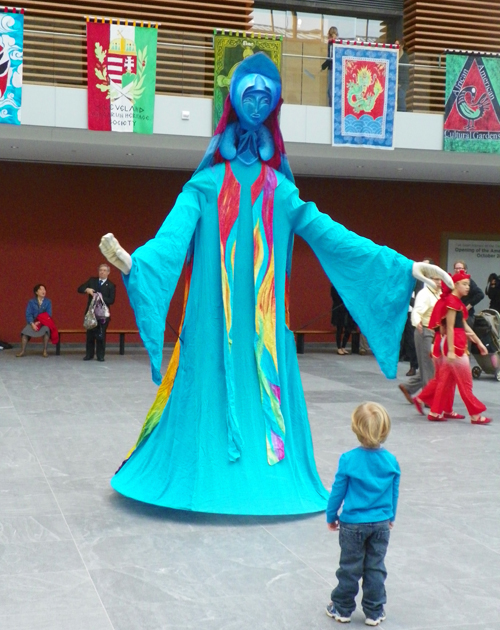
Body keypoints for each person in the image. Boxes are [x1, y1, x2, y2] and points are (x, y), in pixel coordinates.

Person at [99, 53, 450, 515]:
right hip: (210, 321)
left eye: (267, 95)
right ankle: (203, 472)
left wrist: (404, 267)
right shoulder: (204, 186)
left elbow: (335, 238)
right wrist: (136, 265)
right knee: (207, 386)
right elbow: (171, 239)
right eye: (251, 92)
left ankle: (263, 469)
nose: (259, 102)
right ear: (235, 98)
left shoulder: (279, 191)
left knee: (260, 388)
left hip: (265, 327)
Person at [325, 402, 400, 626]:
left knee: (349, 567)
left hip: (352, 525)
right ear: (385, 430)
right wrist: (391, 517)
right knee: (376, 567)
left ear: (356, 429)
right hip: (380, 524)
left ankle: (342, 607)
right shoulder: (391, 461)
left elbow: (337, 491)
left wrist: (331, 515)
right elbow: (393, 493)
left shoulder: (348, 459)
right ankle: (374, 611)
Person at [426, 270, 491, 424]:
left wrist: (478, 342)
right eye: (464, 284)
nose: (468, 287)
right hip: (455, 344)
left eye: (468, 284)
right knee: (465, 383)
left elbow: (461, 326)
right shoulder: (452, 303)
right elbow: (449, 328)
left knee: (445, 380)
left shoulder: (455, 302)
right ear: (455, 285)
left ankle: (435, 412)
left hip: (456, 342)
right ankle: (475, 415)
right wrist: (451, 350)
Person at [399, 268, 441, 403]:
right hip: (425, 331)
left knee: (429, 366)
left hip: (435, 333)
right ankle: (429, 398)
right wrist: (417, 322)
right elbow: (417, 311)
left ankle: (408, 387)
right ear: (428, 280)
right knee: (429, 366)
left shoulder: (439, 293)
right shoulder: (424, 294)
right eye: (435, 279)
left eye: (440, 279)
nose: (439, 282)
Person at [78, 264, 115, 362]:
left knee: (101, 335)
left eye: (104, 270)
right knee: (90, 334)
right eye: (100, 270)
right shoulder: (92, 281)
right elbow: (79, 289)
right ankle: (89, 354)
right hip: (91, 313)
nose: (102, 272)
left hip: (102, 314)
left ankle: (100, 355)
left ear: (108, 272)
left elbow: (111, 300)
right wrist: (87, 289)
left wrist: (100, 297)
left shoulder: (111, 285)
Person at [16, 284, 53, 358]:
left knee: (46, 330)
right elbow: (28, 314)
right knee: (24, 333)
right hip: (32, 322)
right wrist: (32, 323)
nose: (43, 291)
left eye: (44, 289)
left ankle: (45, 351)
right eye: (41, 289)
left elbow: (48, 314)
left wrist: (39, 322)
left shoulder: (48, 302)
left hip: (43, 323)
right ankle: (22, 351)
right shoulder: (31, 302)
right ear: (36, 292)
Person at [452, 260, 484, 327]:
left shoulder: (469, 281)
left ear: (465, 270)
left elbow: (480, 294)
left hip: (467, 316)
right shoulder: (452, 281)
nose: (458, 270)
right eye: (456, 268)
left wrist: (468, 306)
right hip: (455, 314)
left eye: (460, 268)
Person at [331, 283, 355, 355]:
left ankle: (343, 346)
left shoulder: (349, 286)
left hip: (348, 310)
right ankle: (339, 347)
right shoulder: (334, 286)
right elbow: (334, 297)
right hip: (339, 309)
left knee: (349, 328)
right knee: (339, 328)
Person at [321, 26, 338, 107]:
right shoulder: (332, 43)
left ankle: (331, 106)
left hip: (332, 68)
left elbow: (330, 57)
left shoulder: (332, 43)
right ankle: (330, 106)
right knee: (330, 90)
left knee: (330, 90)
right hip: (332, 68)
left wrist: (324, 66)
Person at [397, 40, 409, 112]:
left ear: (402, 46)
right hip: (396, 82)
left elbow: (404, 71)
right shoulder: (395, 55)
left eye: (397, 45)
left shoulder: (405, 57)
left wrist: (400, 83)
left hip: (402, 83)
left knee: (401, 98)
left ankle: (402, 113)